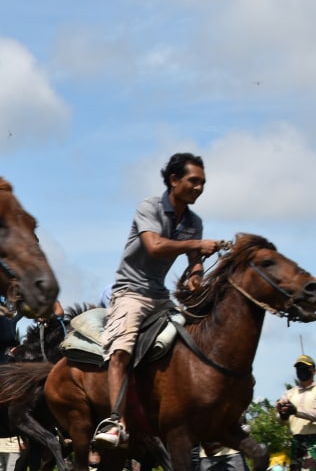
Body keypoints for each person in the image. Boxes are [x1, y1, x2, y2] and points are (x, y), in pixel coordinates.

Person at [94, 153, 221, 450]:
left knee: (197, 344)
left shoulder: (194, 222)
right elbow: (154, 246)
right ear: (174, 180)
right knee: (121, 351)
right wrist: (197, 245)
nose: (199, 188)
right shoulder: (149, 207)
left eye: (203, 183)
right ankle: (115, 421)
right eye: (193, 181)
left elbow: (194, 263)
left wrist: (196, 276)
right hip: (130, 292)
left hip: (161, 296)